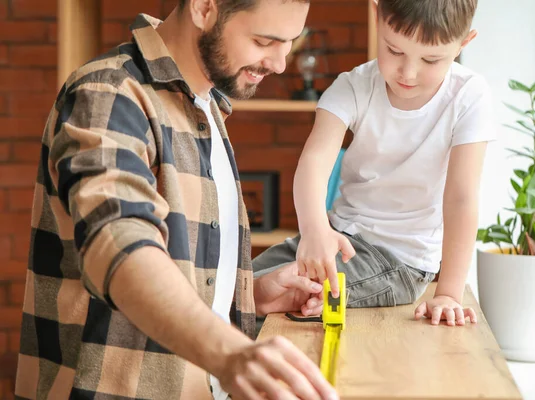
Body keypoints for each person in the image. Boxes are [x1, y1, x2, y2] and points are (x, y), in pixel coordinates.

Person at [14, 1, 339, 399]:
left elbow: (176, 264)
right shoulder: (110, 94)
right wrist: (230, 351)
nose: (281, 63)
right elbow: (120, 244)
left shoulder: (206, 106)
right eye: (263, 41)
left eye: (290, 43)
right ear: (205, 8)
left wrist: (248, 295)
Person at [253, 0, 495, 327]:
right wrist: (314, 230)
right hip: (337, 237)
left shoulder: (469, 96)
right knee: (236, 282)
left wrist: (449, 293)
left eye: (430, 59)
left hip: (400, 261)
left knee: (276, 296)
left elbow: (461, 198)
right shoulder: (353, 86)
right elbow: (314, 160)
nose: (408, 73)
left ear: (464, 42)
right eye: (394, 50)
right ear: (377, 15)